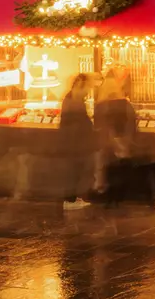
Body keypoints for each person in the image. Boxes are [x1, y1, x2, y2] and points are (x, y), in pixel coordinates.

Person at [93, 68, 136, 207]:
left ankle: (107, 197)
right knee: (120, 170)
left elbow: (97, 124)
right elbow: (132, 122)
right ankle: (119, 197)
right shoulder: (125, 104)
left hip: (106, 143)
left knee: (107, 170)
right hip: (122, 142)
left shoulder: (100, 105)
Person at [57, 73, 96, 212]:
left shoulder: (70, 98)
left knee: (74, 171)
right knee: (74, 171)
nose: (89, 91)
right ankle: (70, 199)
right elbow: (80, 123)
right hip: (75, 143)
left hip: (71, 142)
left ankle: (72, 198)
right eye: (88, 87)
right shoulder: (75, 102)